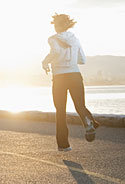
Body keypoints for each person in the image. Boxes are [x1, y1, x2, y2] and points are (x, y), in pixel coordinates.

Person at [42, 13, 99, 152]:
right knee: (80, 104)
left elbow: (55, 52)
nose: (54, 27)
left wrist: (45, 61)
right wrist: (71, 59)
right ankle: (88, 122)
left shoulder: (52, 39)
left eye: (55, 24)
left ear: (59, 26)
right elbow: (83, 60)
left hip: (60, 77)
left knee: (60, 110)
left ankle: (64, 145)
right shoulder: (76, 40)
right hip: (75, 75)